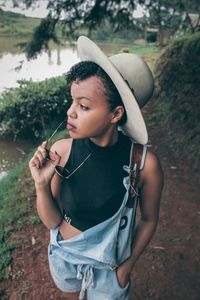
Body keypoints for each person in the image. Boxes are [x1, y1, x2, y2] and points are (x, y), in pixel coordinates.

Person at [29, 36, 164, 300]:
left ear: (115, 114)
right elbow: (52, 221)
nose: (70, 112)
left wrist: (126, 267)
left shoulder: (144, 164)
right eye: (72, 101)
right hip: (65, 256)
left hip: (110, 267)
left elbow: (149, 220)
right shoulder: (61, 151)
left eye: (84, 106)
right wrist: (41, 185)